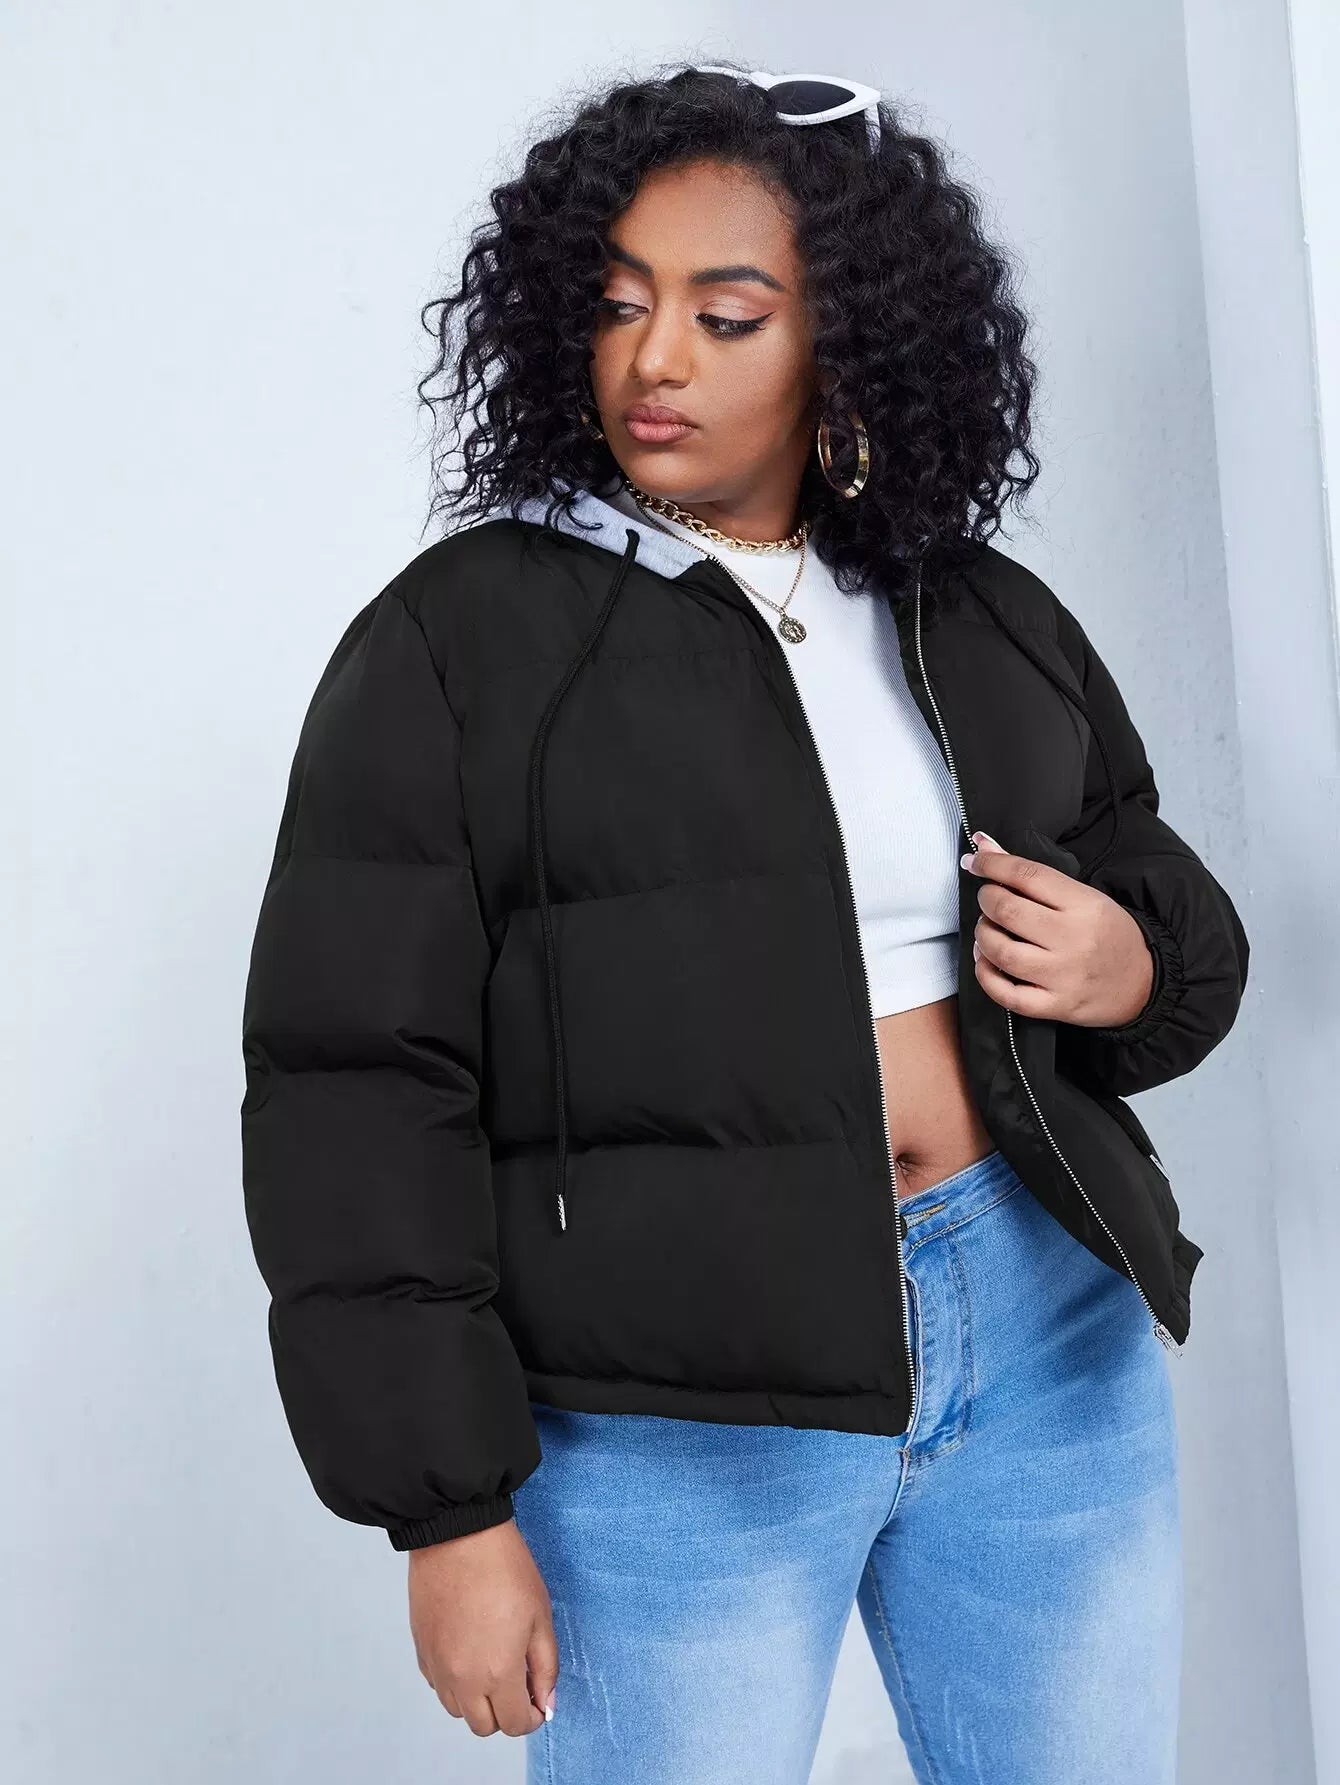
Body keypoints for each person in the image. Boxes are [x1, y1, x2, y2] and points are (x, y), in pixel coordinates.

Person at [239, 63, 1249, 1785]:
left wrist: (1131, 960)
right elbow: (356, 1091)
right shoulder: (459, 643)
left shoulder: (968, 607)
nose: (656, 360)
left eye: (725, 315)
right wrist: (445, 1509)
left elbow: (1157, 891)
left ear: (845, 337)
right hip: (670, 1410)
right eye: (619, 304)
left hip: (1043, 1333)